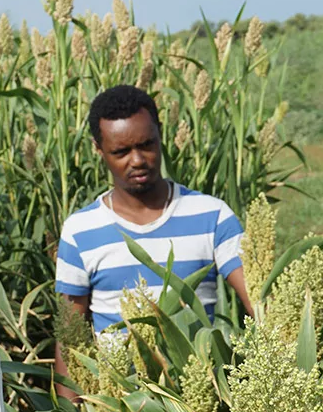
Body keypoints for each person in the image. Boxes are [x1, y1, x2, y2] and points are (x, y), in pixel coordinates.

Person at [54, 85, 253, 391]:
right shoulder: (80, 230)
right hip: (120, 404)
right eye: (120, 152)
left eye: (147, 145)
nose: (137, 160)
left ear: (161, 135)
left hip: (200, 397)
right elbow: (71, 336)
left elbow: (260, 301)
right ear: (99, 149)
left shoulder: (212, 216)